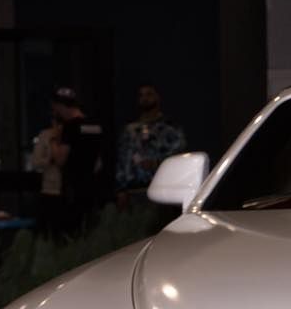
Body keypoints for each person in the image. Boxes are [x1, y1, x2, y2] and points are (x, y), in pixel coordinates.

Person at [114, 82, 186, 213]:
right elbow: (122, 161)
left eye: (149, 94)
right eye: (141, 95)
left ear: (158, 97)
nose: (145, 98)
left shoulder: (170, 128)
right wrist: (121, 190)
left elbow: (179, 156)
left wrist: (156, 163)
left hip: (163, 190)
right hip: (135, 191)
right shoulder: (130, 130)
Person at [49, 86, 106, 237]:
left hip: (73, 189)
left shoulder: (69, 127)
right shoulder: (95, 125)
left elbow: (60, 160)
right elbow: (99, 163)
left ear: (59, 106)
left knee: (72, 233)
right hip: (93, 187)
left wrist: (53, 139)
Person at [28, 112, 65, 239]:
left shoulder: (72, 135)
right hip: (49, 190)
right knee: (46, 233)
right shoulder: (46, 135)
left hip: (68, 190)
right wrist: (49, 160)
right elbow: (35, 162)